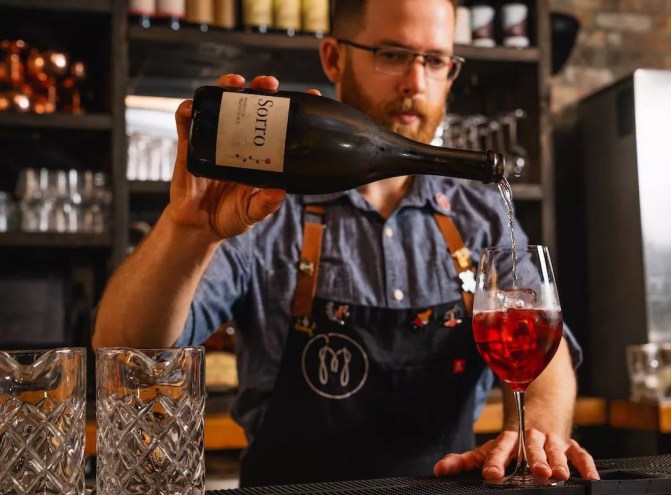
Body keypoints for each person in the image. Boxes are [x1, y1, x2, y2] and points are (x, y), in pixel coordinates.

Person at [92, 0, 599, 486]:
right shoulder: (260, 206)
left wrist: (535, 435)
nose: (415, 81)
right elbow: (126, 353)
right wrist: (188, 230)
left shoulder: (480, 213)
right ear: (334, 58)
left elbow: (544, 346)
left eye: (436, 60)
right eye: (393, 54)